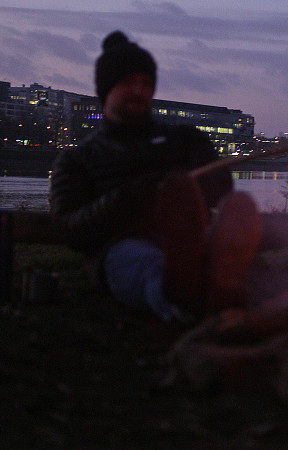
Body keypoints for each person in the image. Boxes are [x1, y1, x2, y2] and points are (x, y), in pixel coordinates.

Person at [49, 31, 260, 322]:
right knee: (146, 265)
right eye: (128, 83)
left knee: (239, 206)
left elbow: (222, 190)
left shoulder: (185, 140)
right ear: (105, 89)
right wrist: (126, 199)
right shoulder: (76, 159)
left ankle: (217, 286)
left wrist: (192, 182)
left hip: (197, 234)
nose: (139, 90)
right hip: (122, 245)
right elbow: (69, 228)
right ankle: (185, 297)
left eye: (145, 83)